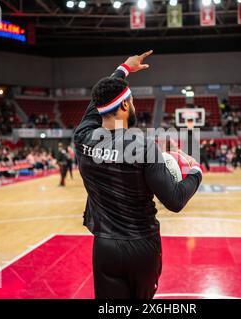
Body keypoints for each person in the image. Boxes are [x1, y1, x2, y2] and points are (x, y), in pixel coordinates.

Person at [73, 51, 202, 299]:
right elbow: (174, 201)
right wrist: (195, 173)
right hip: (142, 246)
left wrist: (123, 69)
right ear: (124, 105)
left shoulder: (82, 137)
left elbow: (97, 101)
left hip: (105, 246)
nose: (133, 105)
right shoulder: (142, 146)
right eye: (131, 101)